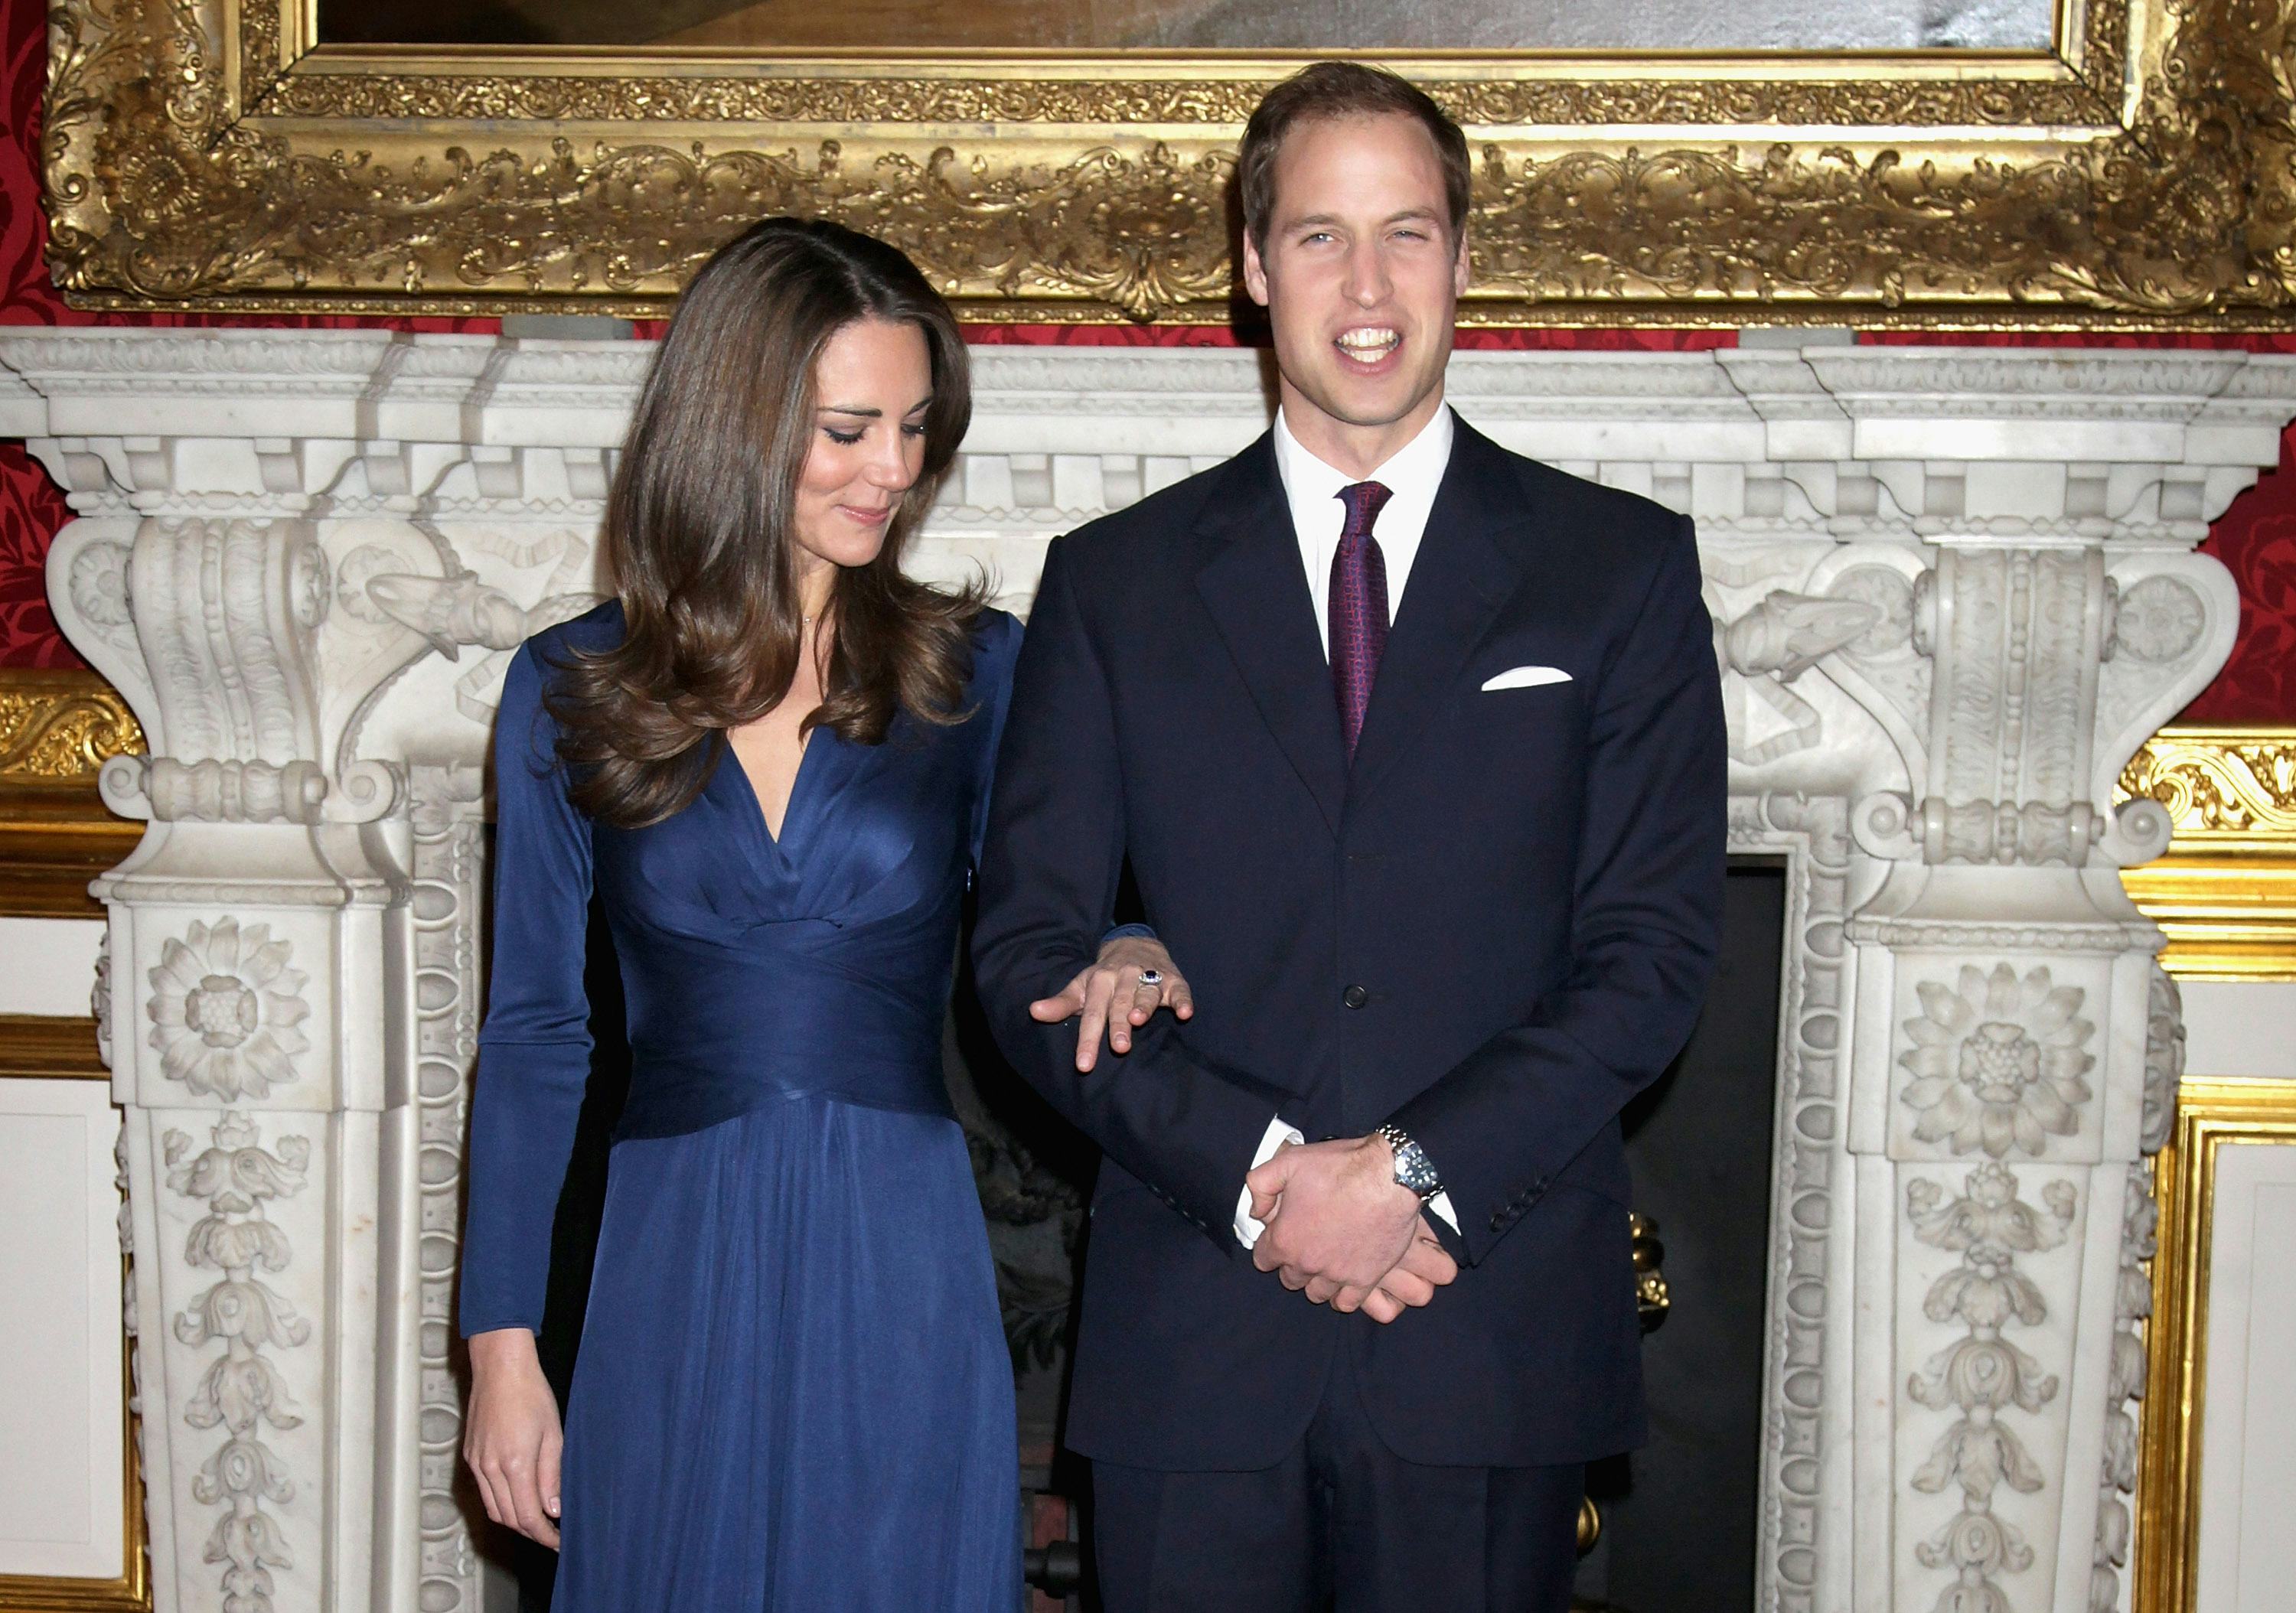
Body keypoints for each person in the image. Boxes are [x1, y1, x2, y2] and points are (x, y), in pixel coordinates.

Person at [972, 62, 1727, 1612]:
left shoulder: (1620, 571)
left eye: (1408, 233)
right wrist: (1264, 1175)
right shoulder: (1114, 583)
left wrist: (1411, 1172)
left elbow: (1649, 961)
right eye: (1320, 237)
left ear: (1463, 257)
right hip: (1196, 1339)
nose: (1367, 286)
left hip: (1489, 1330)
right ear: (1255, 270)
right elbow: (1028, 953)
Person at [455, 216, 1194, 1611]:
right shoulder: (569, 688)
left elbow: (1073, 905)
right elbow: (539, 1034)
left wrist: (1131, 943)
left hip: (898, 1247)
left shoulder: (971, 671)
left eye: (916, 429)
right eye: (851, 430)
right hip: (667, 1251)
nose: (896, 472)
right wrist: (501, 1351)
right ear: (734, 424)